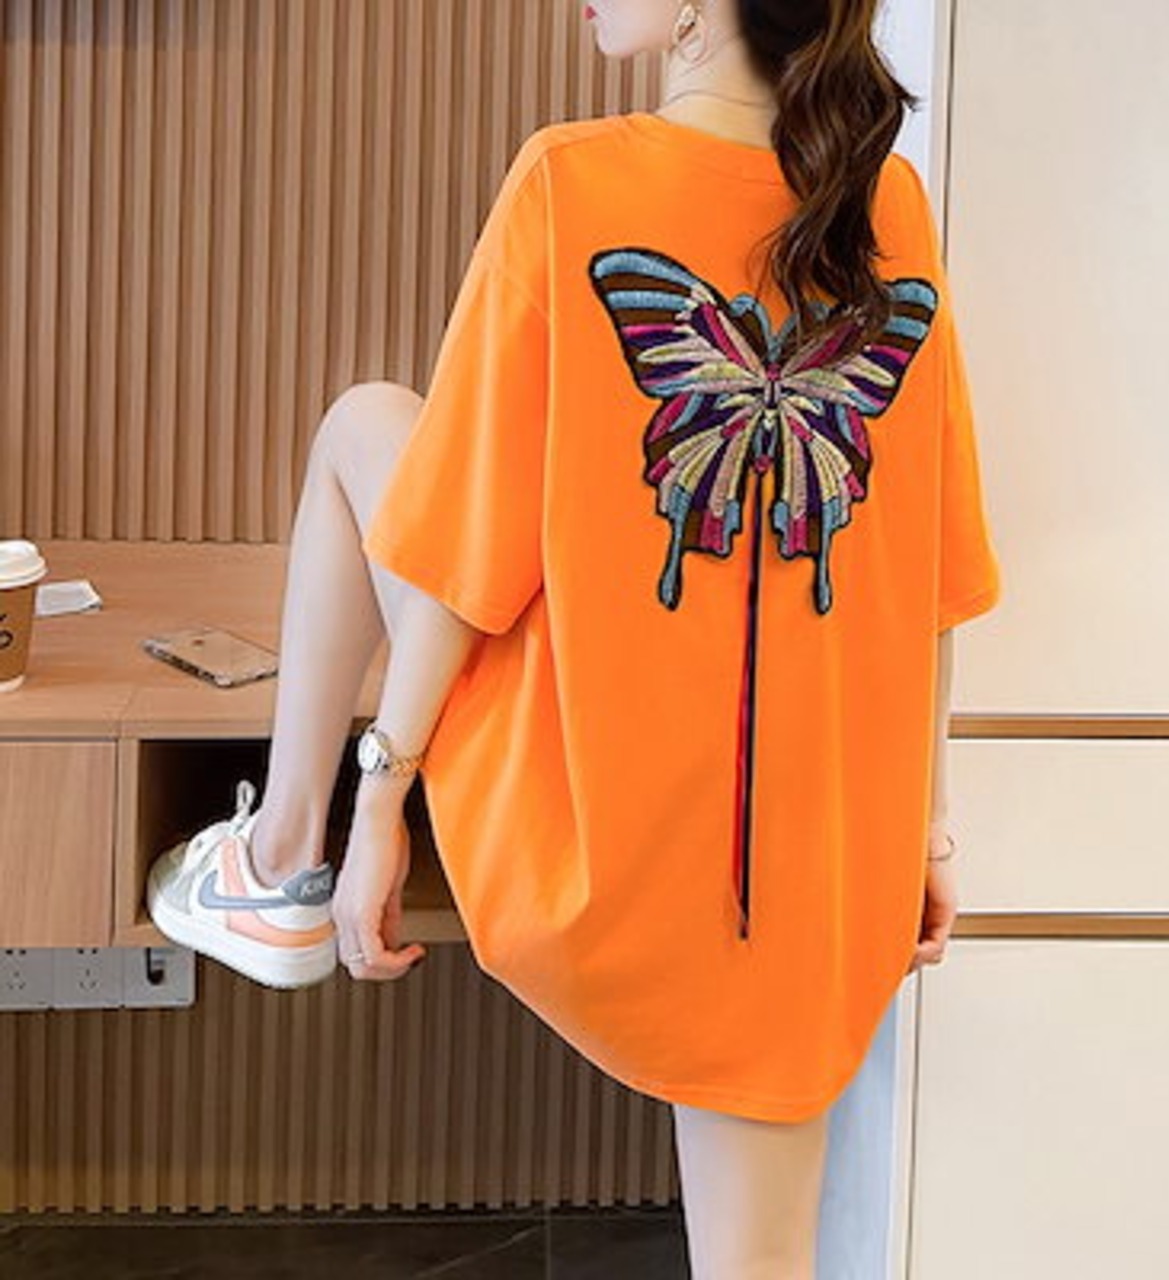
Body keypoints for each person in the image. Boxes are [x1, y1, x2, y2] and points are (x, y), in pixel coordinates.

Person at [146, 0, 1002, 1274]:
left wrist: (381, 794)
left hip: (595, 823)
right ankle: (277, 854)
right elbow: (923, 569)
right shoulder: (891, 204)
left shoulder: (571, 182)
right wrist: (920, 832)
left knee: (366, 422)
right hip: (808, 868)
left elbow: (465, 544)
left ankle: (278, 855)